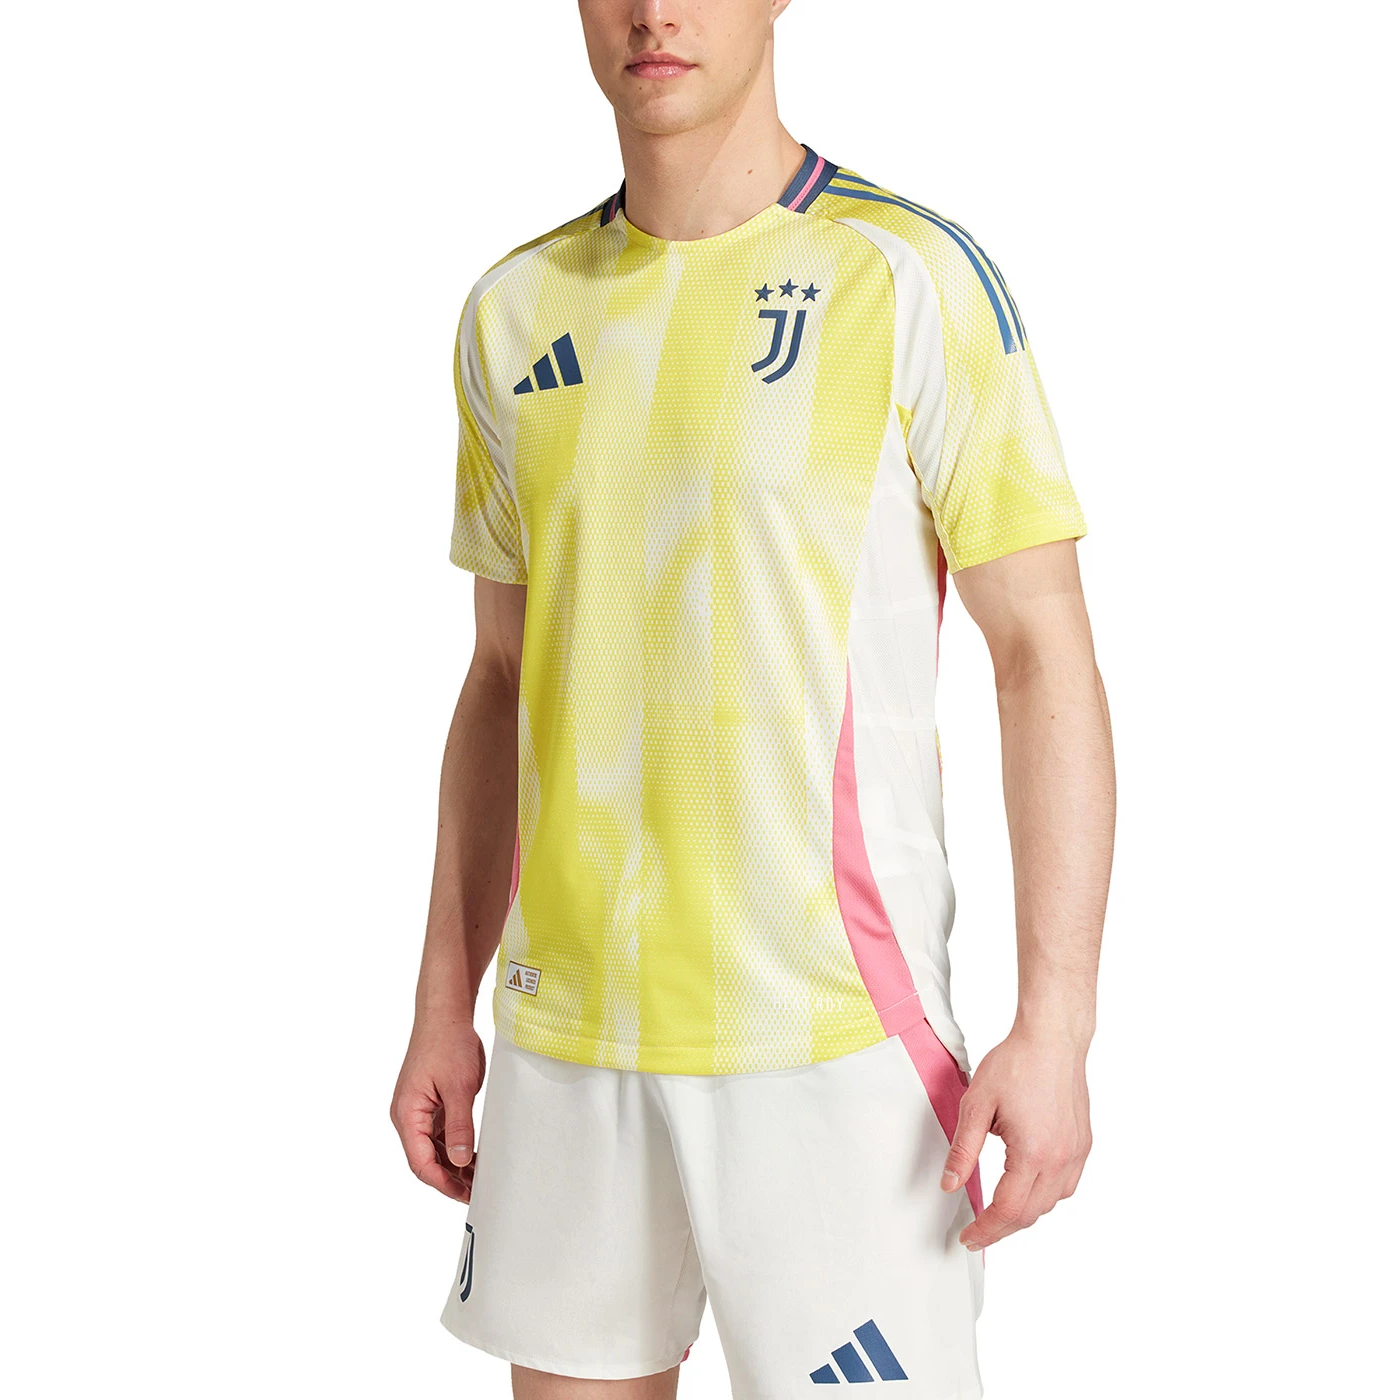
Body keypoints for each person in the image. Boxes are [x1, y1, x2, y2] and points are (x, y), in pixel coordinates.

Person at [391, 1, 1115, 1395]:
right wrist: (443, 999)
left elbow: (1042, 653)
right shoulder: (513, 311)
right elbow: (502, 677)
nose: (655, 11)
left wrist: (1060, 1020)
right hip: (567, 1034)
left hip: (828, 1033)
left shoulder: (908, 277)